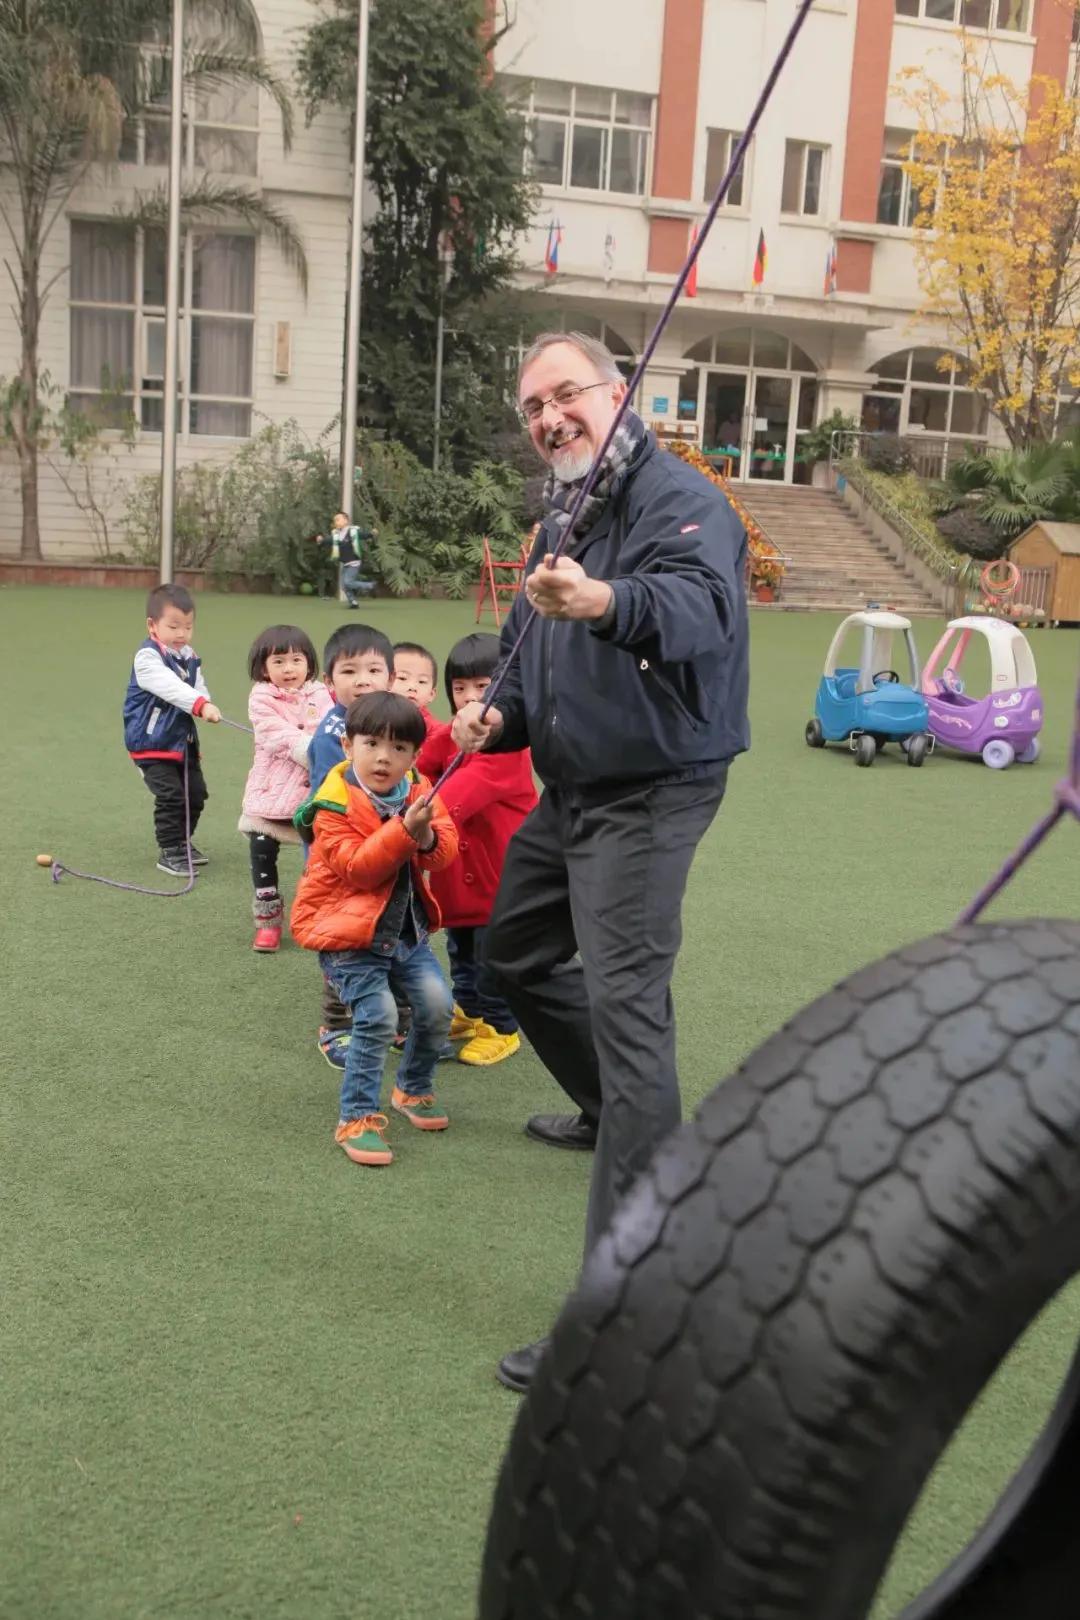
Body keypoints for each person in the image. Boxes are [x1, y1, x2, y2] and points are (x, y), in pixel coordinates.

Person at [452, 330, 749, 1392]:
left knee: (633, 1019)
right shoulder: (560, 511)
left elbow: (701, 613)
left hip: (655, 788)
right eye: (532, 407)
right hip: (574, 782)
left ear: (618, 395)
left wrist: (606, 602)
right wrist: (506, 715)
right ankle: (606, 1112)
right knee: (520, 948)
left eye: (563, 395)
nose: (547, 419)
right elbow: (539, 650)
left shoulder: (684, 502)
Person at [291, 693, 459, 1168]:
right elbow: (359, 870)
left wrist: (425, 834)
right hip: (349, 938)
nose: (385, 757)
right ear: (348, 745)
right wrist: (407, 829)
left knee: (436, 1005)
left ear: (414, 755)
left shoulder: (420, 788)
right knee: (380, 1016)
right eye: (372, 743)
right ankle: (357, 1117)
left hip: (404, 934)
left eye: (400, 748)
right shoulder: (333, 804)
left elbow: (444, 852)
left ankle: (412, 1088)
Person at [417, 633, 538, 1067]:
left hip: (499, 876)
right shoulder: (455, 736)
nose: (471, 700)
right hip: (458, 876)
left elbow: (455, 796)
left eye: (484, 689)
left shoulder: (508, 748)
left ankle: (502, 1028)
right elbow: (424, 761)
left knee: (493, 958)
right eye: (460, 688)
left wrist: (407, 806)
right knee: (461, 948)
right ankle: (468, 1011)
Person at [306, 622, 396, 1069]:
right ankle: (336, 1024)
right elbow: (335, 809)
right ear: (328, 682)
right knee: (343, 944)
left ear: (391, 677)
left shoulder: (390, 722)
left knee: (391, 936)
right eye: (349, 670)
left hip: (384, 859)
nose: (363, 680)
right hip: (341, 865)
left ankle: (398, 1015)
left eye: (374, 669)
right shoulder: (332, 736)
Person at [239, 626, 332, 953]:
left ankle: (317, 911)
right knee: (261, 845)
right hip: (273, 789)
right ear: (265, 668)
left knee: (323, 856)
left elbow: (331, 727)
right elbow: (275, 734)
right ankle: (268, 919)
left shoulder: (321, 693)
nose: (289, 668)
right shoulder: (261, 697)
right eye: (279, 661)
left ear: (309, 663)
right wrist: (317, 751)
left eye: (297, 659)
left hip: (315, 792)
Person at [122, 583, 222, 875]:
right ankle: (169, 850)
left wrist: (206, 702)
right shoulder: (147, 658)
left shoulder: (188, 655)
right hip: (151, 742)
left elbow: (195, 684)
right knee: (171, 795)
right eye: (174, 626)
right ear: (152, 625)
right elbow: (171, 688)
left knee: (196, 794)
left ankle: (182, 842)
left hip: (182, 741)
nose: (182, 634)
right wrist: (200, 704)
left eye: (188, 627)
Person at [312, 512, 377, 607]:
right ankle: (353, 602)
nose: (336, 522)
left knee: (348, 582)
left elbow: (363, 535)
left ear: (346, 521)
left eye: (338, 519)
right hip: (346, 564)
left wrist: (371, 533)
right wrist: (321, 541)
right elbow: (328, 541)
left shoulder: (352, 532)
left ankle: (370, 586)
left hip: (354, 562)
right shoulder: (336, 535)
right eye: (335, 520)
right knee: (343, 585)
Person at [392, 641, 440, 737]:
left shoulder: (435, 732)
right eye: (402, 678)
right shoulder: (368, 719)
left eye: (422, 682)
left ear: (431, 694)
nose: (412, 687)